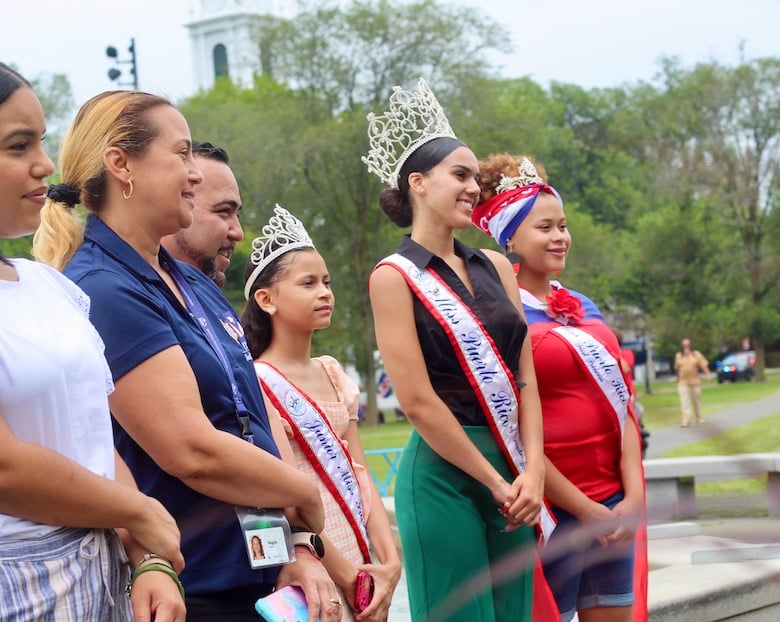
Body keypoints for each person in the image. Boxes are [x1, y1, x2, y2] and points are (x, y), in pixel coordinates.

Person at [32, 89, 343, 622]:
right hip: (189, 585)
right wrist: (302, 495)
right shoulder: (104, 289)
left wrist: (295, 543)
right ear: (121, 164)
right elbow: (192, 450)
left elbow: (249, 423)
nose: (194, 174)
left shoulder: (188, 282)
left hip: (256, 573)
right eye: (180, 155)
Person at [0, 63, 184, 621]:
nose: (46, 164)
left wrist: (147, 556)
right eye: (16, 145)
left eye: (42, 141)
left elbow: (93, 442)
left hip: (105, 577)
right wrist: (141, 511)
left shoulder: (50, 286)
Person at [363, 79, 548, 621]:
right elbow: (417, 402)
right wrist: (498, 483)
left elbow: (525, 380)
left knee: (514, 613)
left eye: (475, 178)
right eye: (460, 175)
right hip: (446, 473)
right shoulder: (392, 278)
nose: (473, 187)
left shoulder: (495, 266)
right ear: (417, 183)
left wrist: (532, 471)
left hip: (513, 470)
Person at [472, 153, 647, 622]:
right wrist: (585, 508)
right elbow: (510, 425)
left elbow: (624, 406)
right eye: (544, 228)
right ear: (510, 238)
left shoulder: (584, 304)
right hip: (552, 508)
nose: (560, 237)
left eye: (563, 226)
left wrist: (631, 499)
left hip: (614, 501)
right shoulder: (499, 316)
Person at [241, 204, 402, 621]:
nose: (325, 292)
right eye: (308, 283)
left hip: (360, 543)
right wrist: (348, 575)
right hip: (317, 554)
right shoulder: (259, 382)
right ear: (266, 299)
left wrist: (388, 562)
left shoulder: (332, 373)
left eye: (327, 282)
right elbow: (288, 498)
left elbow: (360, 473)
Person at [161, 141, 243, 287]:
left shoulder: (209, 302)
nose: (238, 233)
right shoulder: (129, 294)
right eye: (224, 211)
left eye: (238, 215)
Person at [674, 338, 712, 427]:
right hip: (683, 382)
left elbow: (703, 365)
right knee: (684, 402)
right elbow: (677, 368)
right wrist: (678, 378)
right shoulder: (679, 356)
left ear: (690, 345)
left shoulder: (696, 354)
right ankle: (686, 420)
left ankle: (699, 418)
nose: (686, 347)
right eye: (684, 345)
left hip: (695, 382)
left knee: (696, 401)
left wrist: (708, 374)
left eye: (687, 345)